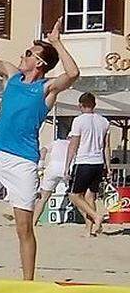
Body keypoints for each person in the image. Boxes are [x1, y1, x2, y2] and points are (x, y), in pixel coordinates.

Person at [0, 10, 79, 280]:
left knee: (23, 227)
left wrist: (56, 42)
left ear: (39, 62)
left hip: (22, 161)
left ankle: (27, 282)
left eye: (29, 53)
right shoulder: (11, 75)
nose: (23, 55)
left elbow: (73, 73)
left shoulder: (46, 88)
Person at [66, 92, 111, 236]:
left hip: (84, 161)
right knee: (90, 197)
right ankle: (89, 230)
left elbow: (73, 144)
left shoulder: (79, 120)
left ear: (80, 105)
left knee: (74, 195)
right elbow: (106, 146)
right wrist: (108, 166)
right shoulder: (104, 121)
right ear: (94, 105)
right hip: (98, 162)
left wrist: (67, 165)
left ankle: (96, 216)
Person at [31, 137, 73, 224]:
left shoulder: (56, 143)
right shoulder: (74, 144)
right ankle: (90, 219)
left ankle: (33, 221)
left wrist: (41, 165)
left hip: (53, 168)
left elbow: (43, 150)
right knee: (77, 197)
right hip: (68, 168)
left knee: (43, 198)